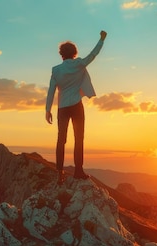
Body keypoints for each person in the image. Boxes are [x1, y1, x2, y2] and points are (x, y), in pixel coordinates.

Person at [45, 30, 107, 184]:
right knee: (79, 139)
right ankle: (78, 171)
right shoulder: (79, 64)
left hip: (63, 108)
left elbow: (51, 91)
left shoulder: (56, 70)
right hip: (77, 107)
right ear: (74, 53)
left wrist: (47, 110)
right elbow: (93, 55)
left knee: (61, 140)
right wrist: (101, 39)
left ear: (61, 54)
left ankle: (60, 173)